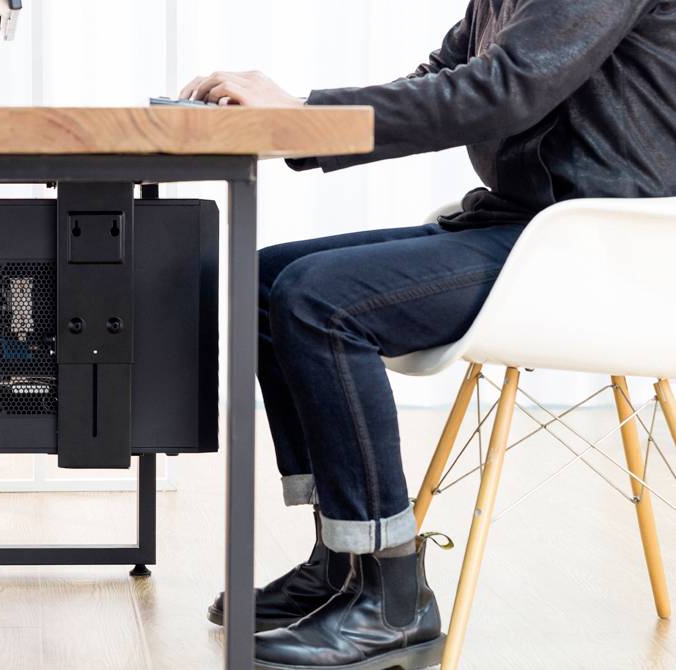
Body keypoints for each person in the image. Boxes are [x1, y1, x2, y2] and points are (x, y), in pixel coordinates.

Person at [181, 1, 676, 669]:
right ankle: (343, 563)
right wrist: (294, 117)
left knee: (321, 302)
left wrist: (303, 112)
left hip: (600, 247)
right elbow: (443, 76)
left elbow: (503, 90)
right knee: (267, 281)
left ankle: (392, 599)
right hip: (529, 227)